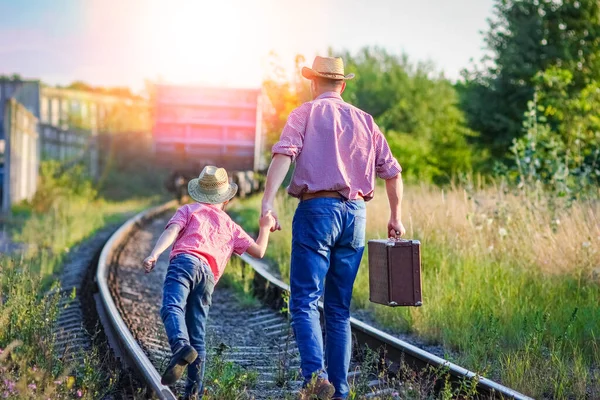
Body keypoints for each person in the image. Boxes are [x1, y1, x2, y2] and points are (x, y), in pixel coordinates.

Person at [261, 56, 405, 400]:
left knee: (305, 301)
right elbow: (393, 172)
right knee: (339, 309)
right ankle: (339, 391)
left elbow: (284, 155)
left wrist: (267, 202)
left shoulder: (304, 113)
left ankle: (315, 379)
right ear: (342, 85)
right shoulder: (365, 120)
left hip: (317, 211)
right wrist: (396, 216)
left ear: (314, 83)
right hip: (355, 214)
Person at [144, 165, 275, 400]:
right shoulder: (231, 226)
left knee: (171, 307)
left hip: (184, 262)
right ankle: (193, 394)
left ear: (199, 193)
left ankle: (180, 346)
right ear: (225, 200)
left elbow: (171, 232)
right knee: (198, 335)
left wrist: (154, 254)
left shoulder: (188, 210)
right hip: (208, 277)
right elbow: (259, 251)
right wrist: (265, 227)